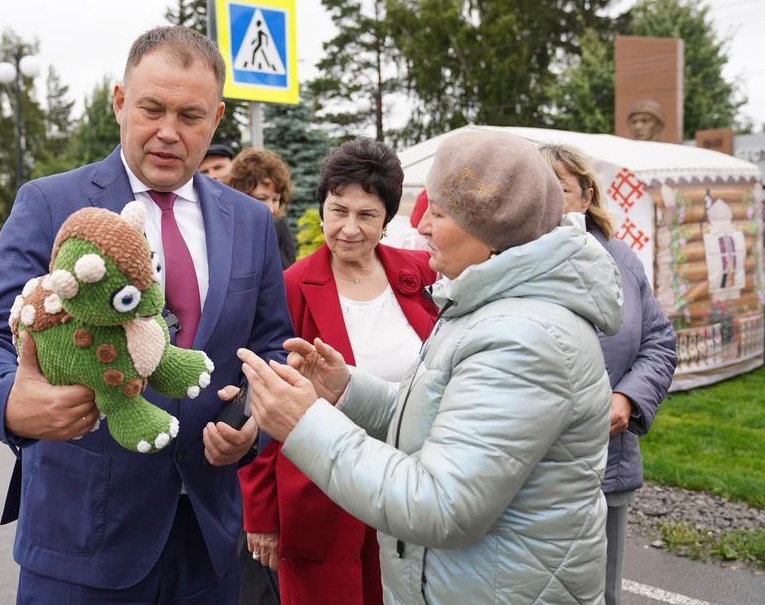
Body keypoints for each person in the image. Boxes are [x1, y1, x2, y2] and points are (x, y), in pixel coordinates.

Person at [0, 25, 294, 605]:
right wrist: (11, 401)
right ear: (119, 102)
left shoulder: (251, 222)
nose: (168, 132)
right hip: (83, 541)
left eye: (190, 116)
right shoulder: (51, 202)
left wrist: (254, 424)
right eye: (151, 108)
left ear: (216, 119)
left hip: (208, 541)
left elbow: (272, 345)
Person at [236, 130, 625, 604]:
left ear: (489, 229)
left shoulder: (524, 338)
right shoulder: (492, 303)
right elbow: (441, 411)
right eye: (339, 210)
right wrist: (347, 390)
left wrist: (304, 423)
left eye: (438, 213)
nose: (420, 227)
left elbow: (442, 504)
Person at [238, 138, 438, 605]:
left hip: (414, 491)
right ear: (322, 207)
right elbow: (262, 402)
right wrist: (262, 513)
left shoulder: (422, 276)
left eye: (366, 214)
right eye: (338, 210)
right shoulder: (288, 288)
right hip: (321, 496)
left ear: (386, 219)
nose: (349, 228)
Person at [541, 143, 677, 605]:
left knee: (602, 592)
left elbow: (658, 341)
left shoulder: (622, 259)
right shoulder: (503, 261)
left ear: (585, 196)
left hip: (607, 464)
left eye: (558, 189)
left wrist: (629, 397)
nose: (546, 200)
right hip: (530, 471)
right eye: (535, 189)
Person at [228, 148, 297, 270]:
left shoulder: (278, 224)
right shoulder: (225, 233)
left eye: (275, 200)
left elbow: (290, 270)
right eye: (261, 199)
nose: (271, 209)